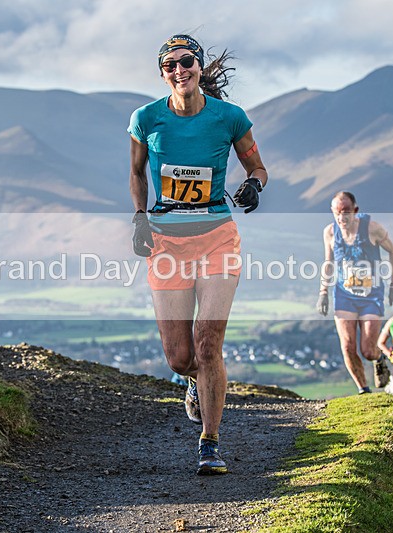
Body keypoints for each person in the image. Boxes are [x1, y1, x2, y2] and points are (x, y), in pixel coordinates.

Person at [128, 34, 267, 475]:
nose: (179, 70)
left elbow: (258, 167)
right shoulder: (146, 118)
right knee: (179, 357)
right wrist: (139, 218)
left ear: (200, 67)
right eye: (170, 65)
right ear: (163, 73)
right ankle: (192, 382)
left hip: (216, 237)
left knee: (209, 344)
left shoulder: (230, 117)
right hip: (167, 241)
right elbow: (136, 172)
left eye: (186, 61)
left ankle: (210, 442)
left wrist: (254, 185)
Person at [317, 191, 393, 394]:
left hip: (371, 295)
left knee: (368, 350)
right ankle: (364, 389)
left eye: (345, 212)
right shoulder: (329, 232)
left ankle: (378, 359)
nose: (341, 217)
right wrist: (323, 292)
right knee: (347, 345)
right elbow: (328, 262)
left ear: (355, 210)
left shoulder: (372, 228)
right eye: (337, 212)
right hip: (344, 295)